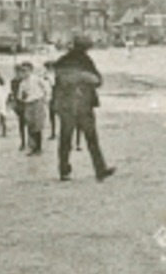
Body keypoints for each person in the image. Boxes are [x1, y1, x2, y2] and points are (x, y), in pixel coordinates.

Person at [52, 36, 115, 182]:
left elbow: (58, 81)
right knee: (92, 139)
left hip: (66, 106)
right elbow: (98, 80)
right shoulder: (86, 61)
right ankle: (100, 169)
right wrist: (84, 78)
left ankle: (64, 170)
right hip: (84, 105)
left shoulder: (62, 61)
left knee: (65, 139)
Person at [17, 60, 48, 155]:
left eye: (27, 70)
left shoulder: (37, 79)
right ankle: (32, 147)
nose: (25, 73)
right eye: (23, 71)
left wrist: (45, 99)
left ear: (31, 70)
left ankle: (38, 147)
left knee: (37, 126)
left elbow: (46, 88)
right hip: (28, 104)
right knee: (30, 126)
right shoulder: (22, 83)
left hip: (37, 102)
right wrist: (23, 96)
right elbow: (19, 96)